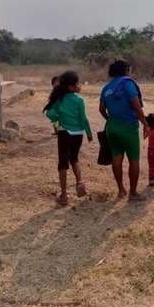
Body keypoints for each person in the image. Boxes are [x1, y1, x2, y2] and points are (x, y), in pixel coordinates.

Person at [99, 59, 148, 201]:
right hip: (128, 127)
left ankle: (121, 190)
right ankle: (133, 193)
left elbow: (101, 109)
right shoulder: (128, 83)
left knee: (117, 157)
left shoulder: (106, 88)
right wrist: (145, 123)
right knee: (134, 159)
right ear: (126, 70)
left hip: (112, 127)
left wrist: (110, 120)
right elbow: (136, 105)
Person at [44, 71, 93, 206]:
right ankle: (79, 183)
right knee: (74, 158)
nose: (79, 85)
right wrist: (89, 134)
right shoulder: (79, 100)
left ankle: (64, 195)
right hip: (78, 134)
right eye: (77, 83)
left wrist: (59, 117)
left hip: (64, 133)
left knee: (63, 164)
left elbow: (50, 114)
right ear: (71, 87)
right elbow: (84, 119)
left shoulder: (59, 99)